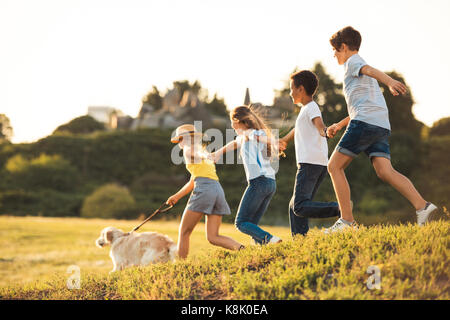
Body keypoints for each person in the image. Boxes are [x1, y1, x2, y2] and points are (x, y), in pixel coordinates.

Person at [325, 26, 437, 233]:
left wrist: (389, 81)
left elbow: (370, 70)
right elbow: (362, 107)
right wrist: (339, 125)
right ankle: (423, 207)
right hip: (379, 124)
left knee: (334, 167)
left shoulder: (353, 62)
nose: (333, 55)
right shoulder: (359, 73)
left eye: (335, 50)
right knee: (384, 170)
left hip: (365, 123)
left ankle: (347, 222)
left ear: (343, 47)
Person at [166, 124, 243, 258]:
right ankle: (243, 250)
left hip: (205, 189)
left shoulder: (189, 149)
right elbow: (193, 180)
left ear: (185, 138)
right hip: (217, 190)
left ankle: (180, 265)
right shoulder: (203, 151)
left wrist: (203, 155)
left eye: (179, 140)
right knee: (213, 237)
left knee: (184, 231)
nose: (178, 143)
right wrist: (177, 196)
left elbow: (195, 154)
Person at [278, 70, 340, 237]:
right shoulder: (306, 110)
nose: (290, 93)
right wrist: (283, 141)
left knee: (299, 206)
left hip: (310, 164)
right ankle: (300, 242)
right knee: (294, 207)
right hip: (316, 163)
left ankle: (340, 208)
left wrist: (326, 131)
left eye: (292, 88)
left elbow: (320, 126)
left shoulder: (312, 107)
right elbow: (297, 130)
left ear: (301, 89)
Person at [210, 106, 282, 245]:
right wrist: (217, 153)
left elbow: (259, 137)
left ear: (240, 121)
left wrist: (273, 142)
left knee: (241, 222)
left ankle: (271, 240)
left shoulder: (252, 133)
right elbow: (234, 144)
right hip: (270, 183)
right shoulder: (246, 136)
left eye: (233, 121)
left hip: (259, 182)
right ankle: (262, 248)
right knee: (251, 225)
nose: (231, 125)